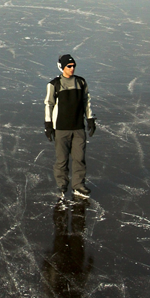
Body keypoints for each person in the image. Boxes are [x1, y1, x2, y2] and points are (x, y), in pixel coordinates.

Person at [44, 54, 96, 203]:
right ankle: (62, 186)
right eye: (69, 66)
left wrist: (90, 119)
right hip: (61, 128)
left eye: (73, 66)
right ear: (62, 67)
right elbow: (48, 104)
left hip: (78, 127)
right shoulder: (54, 84)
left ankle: (78, 185)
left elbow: (87, 102)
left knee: (79, 158)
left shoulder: (81, 82)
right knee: (62, 160)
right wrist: (48, 125)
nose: (72, 68)